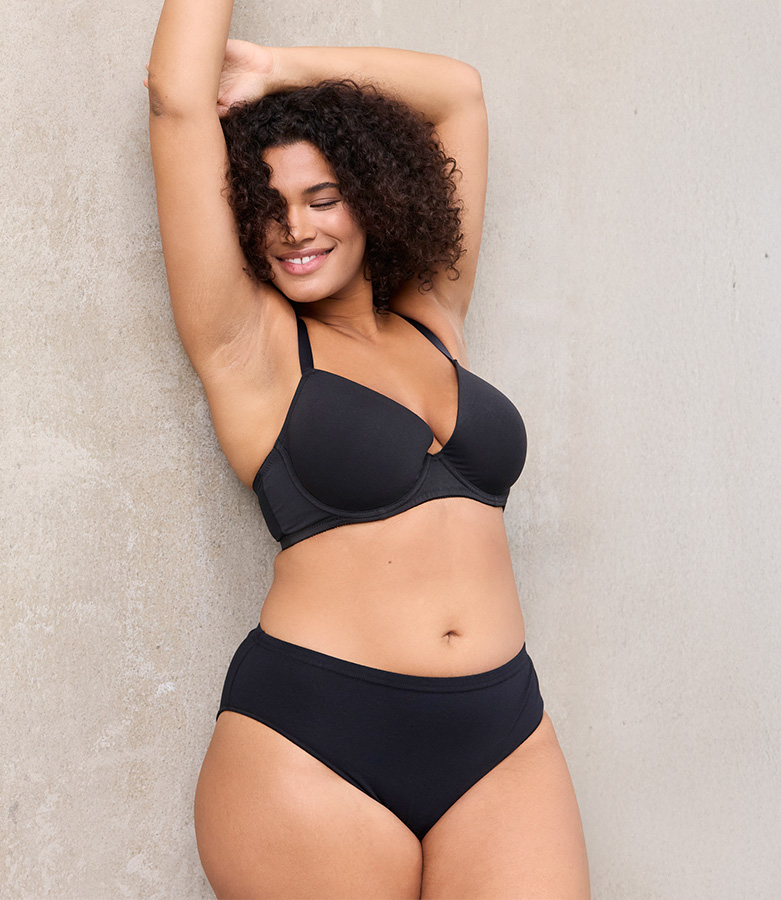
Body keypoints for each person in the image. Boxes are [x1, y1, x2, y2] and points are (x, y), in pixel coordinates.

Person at [146, 1, 590, 896]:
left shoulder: (433, 315)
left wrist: (275, 70)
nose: (296, 228)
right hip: (314, 739)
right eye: (268, 206)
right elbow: (176, 99)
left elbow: (457, 96)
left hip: (503, 732)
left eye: (322, 198)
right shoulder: (250, 346)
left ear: (373, 198)